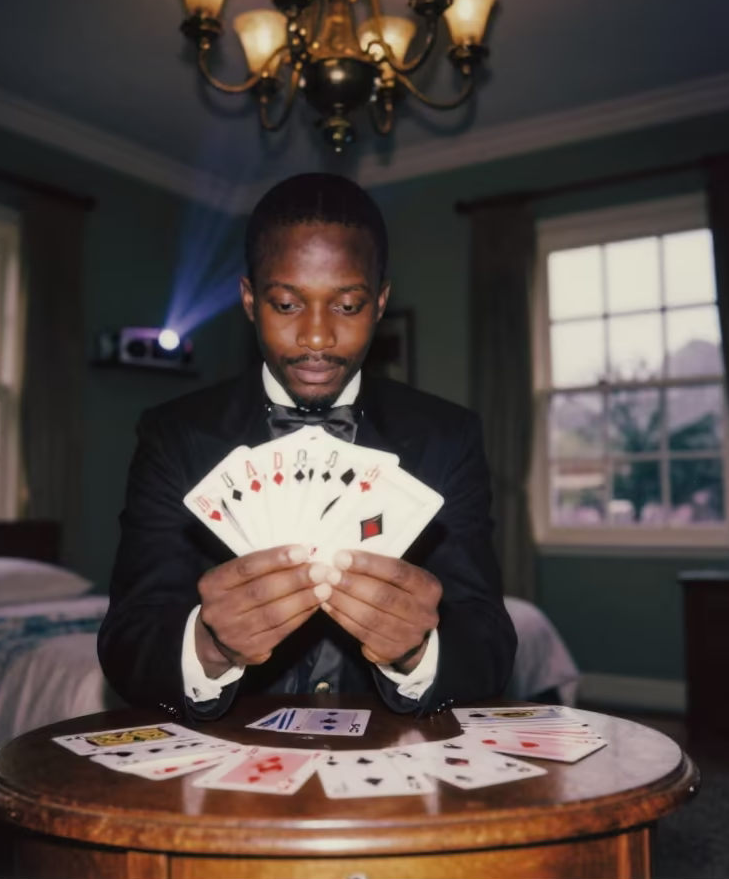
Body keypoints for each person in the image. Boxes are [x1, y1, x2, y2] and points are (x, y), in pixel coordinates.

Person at [98, 173, 517, 721]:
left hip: (395, 763)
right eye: (287, 304)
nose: (316, 337)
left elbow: (490, 644)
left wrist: (418, 650)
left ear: (381, 301)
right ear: (250, 300)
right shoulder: (173, 434)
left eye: (346, 306)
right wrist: (207, 645)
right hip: (226, 761)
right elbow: (127, 642)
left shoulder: (448, 436)